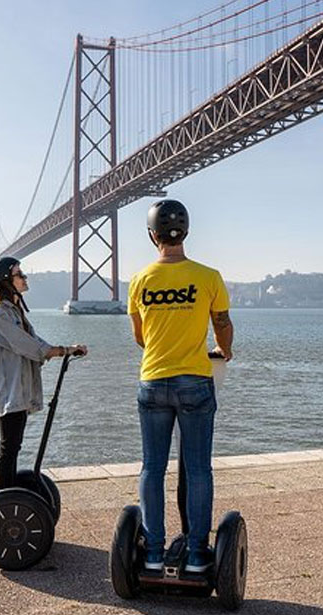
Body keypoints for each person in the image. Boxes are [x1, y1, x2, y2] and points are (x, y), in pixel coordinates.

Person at [127, 199, 233, 573]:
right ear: (185, 232)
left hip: (152, 380)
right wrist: (224, 350)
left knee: (152, 468)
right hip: (195, 382)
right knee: (198, 468)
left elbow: (140, 336)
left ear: (152, 235)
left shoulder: (140, 280)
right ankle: (197, 555)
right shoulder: (208, 276)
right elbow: (222, 324)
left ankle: (153, 554)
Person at [0, 256, 87, 489]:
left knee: (13, 445)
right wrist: (58, 351)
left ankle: (9, 494)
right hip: (10, 389)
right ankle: (6, 499)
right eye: (20, 274)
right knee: (8, 446)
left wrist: (67, 349)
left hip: (19, 388)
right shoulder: (0, 314)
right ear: (6, 282)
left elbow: (35, 342)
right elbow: (28, 346)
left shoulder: (13, 312)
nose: (25, 278)